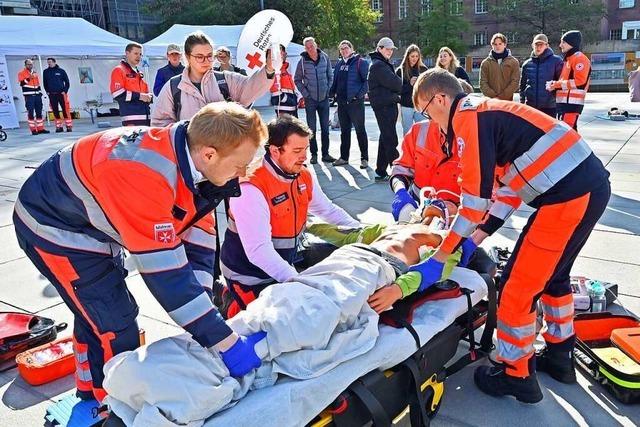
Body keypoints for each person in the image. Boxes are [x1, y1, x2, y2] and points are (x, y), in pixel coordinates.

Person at [13, 102, 269, 402]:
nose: (243, 173)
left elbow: (198, 236)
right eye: (240, 165)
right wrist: (224, 342)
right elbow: (167, 277)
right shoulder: (141, 172)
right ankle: (112, 405)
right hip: (54, 228)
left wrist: (203, 313)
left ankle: (88, 389)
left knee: (93, 311)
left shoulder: (197, 163)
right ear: (209, 154)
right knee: (115, 324)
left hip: (92, 221)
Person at [412, 68, 610, 403]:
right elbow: (507, 190)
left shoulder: (469, 119)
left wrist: (441, 256)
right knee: (554, 277)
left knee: (516, 289)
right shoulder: (489, 115)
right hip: (585, 189)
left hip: (567, 199)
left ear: (441, 98)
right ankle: (561, 356)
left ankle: (515, 374)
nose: (429, 120)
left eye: (426, 111)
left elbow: (472, 205)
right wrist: (477, 238)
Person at [220, 114, 360, 318]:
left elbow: (327, 210)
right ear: (275, 151)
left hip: (283, 263)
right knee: (270, 324)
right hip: (250, 275)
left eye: (305, 149)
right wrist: (298, 283)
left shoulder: (302, 173)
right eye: (297, 151)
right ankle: (228, 297)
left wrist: (361, 232)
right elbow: (259, 251)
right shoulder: (250, 187)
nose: (305, 157)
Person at [152, 31, 274, 126]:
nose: (206, 61)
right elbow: (160, 123)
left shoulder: (226, 79)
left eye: (209, 56)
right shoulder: (173, 87)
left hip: (226, 153)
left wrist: (268, 69)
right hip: (190, 156)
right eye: (200, 57)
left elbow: (251, 86)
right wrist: (181, 139)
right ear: (188, 57)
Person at [329, 40, 370, 169]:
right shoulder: (340, 64)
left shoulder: (361, 63)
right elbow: (335, 82)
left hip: (355, 104)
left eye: (346, 48)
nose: (344, 51)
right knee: (344, 132)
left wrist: (358, 96)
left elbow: (366, 83)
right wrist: (331, 95)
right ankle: (344, 157)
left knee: (360, 131)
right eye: (341, 49)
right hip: (342, 104)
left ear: (352, 48)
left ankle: (364, 158)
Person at [294, 37, 335, 164]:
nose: (310, 49)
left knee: (325, 129)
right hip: (310, 100)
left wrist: (327, 90)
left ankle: (325, 154)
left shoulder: (325, 58)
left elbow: (330, 76)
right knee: (311, 129)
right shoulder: (302, 61)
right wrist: (306, 94)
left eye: (311, 46)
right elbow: (297, 79)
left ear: (316, 45)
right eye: (307, 47)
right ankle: (314, 154)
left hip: (324, 100)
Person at [368, 37, 403, 182]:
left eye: (391, 49)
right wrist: (397, 94)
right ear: (379, 49)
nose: (390, 52)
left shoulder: (382, 63)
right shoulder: (379, 65)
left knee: (385, 138)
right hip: (384, 106)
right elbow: (397, 84)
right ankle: (398, 173)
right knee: (390, 139)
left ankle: (381, 170)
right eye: (387, 49)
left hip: (386, 104)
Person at [547, 30, 591, 130]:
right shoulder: (569, 59)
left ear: (571, 43)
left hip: (571, 104)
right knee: (567, 132)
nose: (560, 45)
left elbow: (580, 81)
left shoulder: (579, 59)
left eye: (563, 42)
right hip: (566, 104)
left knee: (567, 133)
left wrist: (556, 85)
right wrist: (555, 86)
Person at [519, 34, 563, 117]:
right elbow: (522, 85)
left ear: (547, 45)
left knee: (549, 130)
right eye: (536, 44)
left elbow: (561, 84)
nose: (538, 47)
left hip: (550, 107)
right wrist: (522, 102)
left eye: (541, 44)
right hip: (531, 107)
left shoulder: (556, 61)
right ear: (532, 45)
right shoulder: (527, 64)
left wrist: (560, 107)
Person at [110, 42, 153, 126]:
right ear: (127, 53)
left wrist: (149, 97)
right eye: (136, 53)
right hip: (131, 119)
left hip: (146, 118)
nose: (139, 56)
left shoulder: (138, 72)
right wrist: (141, 96)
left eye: (140, 54)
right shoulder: (119, 70)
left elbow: (144, 93)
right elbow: (117, 94)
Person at [396, 44, 428, 136]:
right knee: (407, 133)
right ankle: (407, 150)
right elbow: (397, 90)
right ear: (407, 56)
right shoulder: (401, 70)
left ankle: (420, 151)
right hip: (406, 106)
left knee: (423, 132)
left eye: (417, 56)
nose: (415, 58)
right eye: (412, 56)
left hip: (420, 106)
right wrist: (410, 84)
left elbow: (427, 88)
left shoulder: (423, 69)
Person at [479, 33, 520, 101]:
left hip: (507, 101)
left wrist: (503, 96)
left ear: (504, 44)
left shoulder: (513, 62)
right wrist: (493, 96)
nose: (497, 46)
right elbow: (483, 83)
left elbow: (515, 82)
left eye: (500, 44)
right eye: (495, 44)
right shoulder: (486, 63)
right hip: (491, 101)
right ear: (492, 45)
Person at [17, 59, 49, 135]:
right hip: (29, 96)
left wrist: (40, 93)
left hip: (37, 95)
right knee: (30, 112)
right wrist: (29, 78)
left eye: (31, 64)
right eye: (29, 64)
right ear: (25, 65)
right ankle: (33, 130)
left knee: (39, 112)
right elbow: (21, 83)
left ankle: (40, 129)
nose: (30, 66)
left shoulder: (34, 73)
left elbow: (38, 84)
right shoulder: (21, 73)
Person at [43, 57, 73, 133]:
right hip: (52, 94)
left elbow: (67, 82)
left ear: (54, 62)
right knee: (55, 110)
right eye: (48, 62)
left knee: (65, 110)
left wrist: (65, 91)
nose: (49, 63)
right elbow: (45, 83)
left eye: (50, 62)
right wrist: (47, 91)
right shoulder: (46, 72)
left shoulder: (61, 71)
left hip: (61, 94)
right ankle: (59, 127)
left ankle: (68, 126)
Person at [270, 44, 298, 117]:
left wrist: (295, 97)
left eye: (284, 53)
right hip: (283, 104)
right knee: (285, 127)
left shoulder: (286, 67)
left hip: (291, 102)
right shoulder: (273, 68)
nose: (285, 54)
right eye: (281, 53)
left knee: (294, 127)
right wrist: (286, 99)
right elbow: (274, 89)